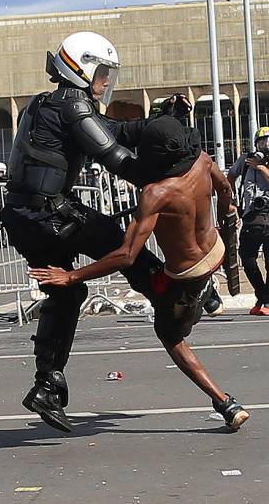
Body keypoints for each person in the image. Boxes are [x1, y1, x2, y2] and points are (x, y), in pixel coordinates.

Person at [0, 31, 178, 433]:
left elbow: (115, 130)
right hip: (49, 216)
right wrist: (169, 177)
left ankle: (46, 384)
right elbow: (115, 156)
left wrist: (160, 120)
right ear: (79, 68)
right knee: (119, 241)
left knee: (67, 292)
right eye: (101, 72)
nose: (105, 82)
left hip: (26, 217)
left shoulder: (51, 103)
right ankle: (167, 292)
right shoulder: (71, 103)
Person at [29, 116, 249, 432]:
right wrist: (229, 213)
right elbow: (225, 187)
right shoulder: (202, 161)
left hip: (186, 273)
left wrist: (72, 277)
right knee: (173, 293)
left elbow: (126, 254)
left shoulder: (156, 194)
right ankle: (204, 299)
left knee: (170, 336)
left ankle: (225, 403)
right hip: (215, 251)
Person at [226, 126, 269, 316]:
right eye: (262, 141)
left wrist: (260, 167)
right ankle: (262, 295)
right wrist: (232, 201)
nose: (265, 145)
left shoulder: (259, 164)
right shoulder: (245, 160)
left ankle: (265, 301)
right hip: (251, 217)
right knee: (247, 258)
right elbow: (230, 176)